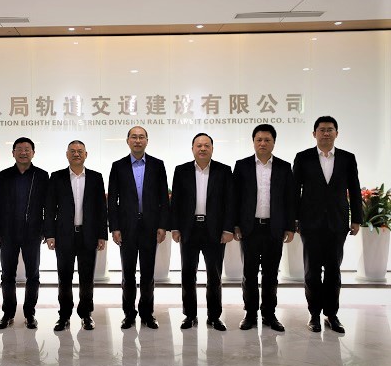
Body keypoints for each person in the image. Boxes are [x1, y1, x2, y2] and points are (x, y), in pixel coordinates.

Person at [293, 116, 362, 334]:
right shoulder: (303, 158)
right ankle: (314, 314)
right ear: (314, 134)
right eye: (321, 129)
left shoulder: (347, 158)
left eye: (330, 129)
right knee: (312, 272)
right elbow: (295, 191)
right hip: (310, 223)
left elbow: (355, 189)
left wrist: (356, 219)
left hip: (337, 223)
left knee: (333, 270)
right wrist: (294, 219)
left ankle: (331, 315)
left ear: (336, 133)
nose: (325, 133)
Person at [233, 124, 295, 332]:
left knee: (271, 274)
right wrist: (236, 225)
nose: (263, 143)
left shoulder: (284, 167)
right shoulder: (242, 166)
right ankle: (250, 314)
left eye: (267, 140)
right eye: (259, 140)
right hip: (250, 229)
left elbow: (290, 199)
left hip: (274, 229)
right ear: (253, 142)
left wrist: (289, 227)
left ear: (274, 143)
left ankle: (269, 314)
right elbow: (235, 198)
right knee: (249, 274)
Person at [170, 133, 234, 331]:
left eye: (207, 145)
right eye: (199, 145)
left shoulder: (224, 171)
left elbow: (230, 202)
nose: (203, 149)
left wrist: (228, 228)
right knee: (188, 274)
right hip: (189, 230)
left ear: (212, 148)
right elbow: (176, 201)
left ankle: (214, 317)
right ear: (192, 149)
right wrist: (175, 228)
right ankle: (190, 315)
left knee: (214, 275)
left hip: (214, 230)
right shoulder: (181, 171)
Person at [108, 126, 169, 329]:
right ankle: (129, 314)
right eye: (133, 137)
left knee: (148, 274)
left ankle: (147, 314)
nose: (137, 140)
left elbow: (163, 198)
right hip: (127, 228)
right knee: (128, 274)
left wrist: (162, 225)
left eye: (141, 137)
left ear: (147, 141)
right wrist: (115, 227)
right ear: (127, 141)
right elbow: (112, 200)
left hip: (150, 227)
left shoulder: (158, 165)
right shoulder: (118, 166)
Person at [44, 140, 108, 331]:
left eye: (80, 151)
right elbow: (50, 208)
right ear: (67, 155)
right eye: (72, 151)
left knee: (87, 278)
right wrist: (50, 234)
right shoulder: (57, 177)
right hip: (64, 235)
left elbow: (101, 209)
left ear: (86, 154)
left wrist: (102, 235)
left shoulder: (96, 177)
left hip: (88, 235)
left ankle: (86, 314)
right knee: (64, 277)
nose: (76, 154)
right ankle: (64, 316)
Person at [0, 137, 49, 329]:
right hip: (8, 233)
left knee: (33, 275)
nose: (23, 152)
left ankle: (30, 313)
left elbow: (48, 206)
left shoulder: (41, 176)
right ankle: (8, 313)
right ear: (13, 153)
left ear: (33, 152)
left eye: (27, 149)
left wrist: (45, 230)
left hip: (32, 233)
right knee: (7, 274)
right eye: (19, 149)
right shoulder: (3, 176)